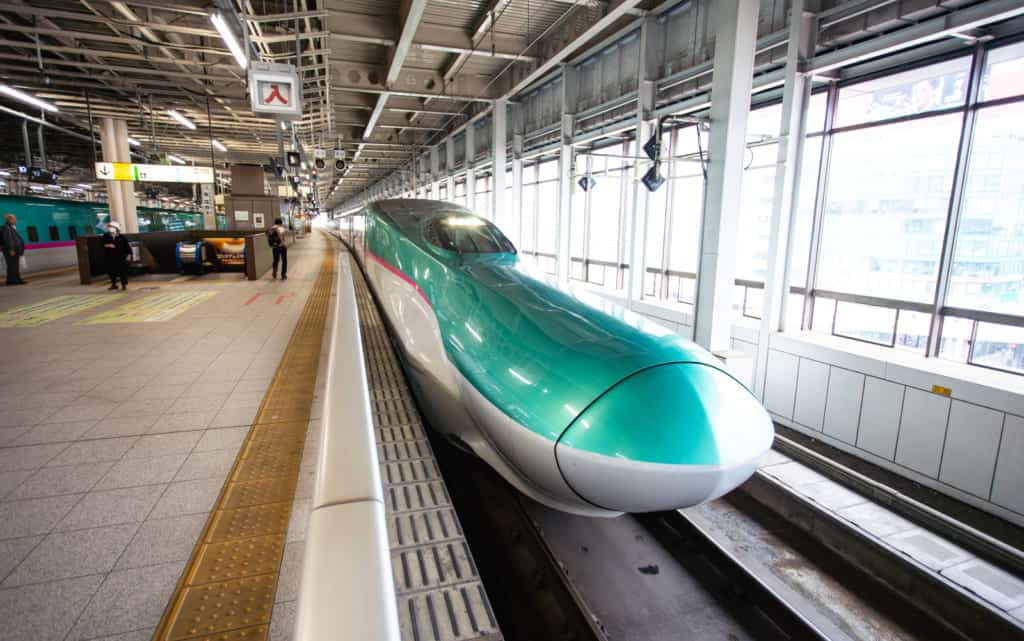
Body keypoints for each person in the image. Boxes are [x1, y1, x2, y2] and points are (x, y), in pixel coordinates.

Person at [101, 221, 131, 290]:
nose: (110, 228)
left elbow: (127, 247)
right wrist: (108, 245)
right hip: (110, 257)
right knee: (111, 271)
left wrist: (129, 255)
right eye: (109, 227)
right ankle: (114, 284)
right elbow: (101, 245)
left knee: (122, 271)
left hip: (121, 257)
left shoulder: (121, 237)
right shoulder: (105, 236)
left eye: (112, 227)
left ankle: (124, 285)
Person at [1, 213, 26, 285]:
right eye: (14, 219)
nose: (16, 220)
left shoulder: (10, 227)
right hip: (11, 250)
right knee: (12, 266)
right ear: (10, 220)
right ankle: (12, 281)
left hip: (14, 250)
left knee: (15, 265)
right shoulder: (7, 228)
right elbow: (8, 239)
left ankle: (17, 279)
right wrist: (11, 249)